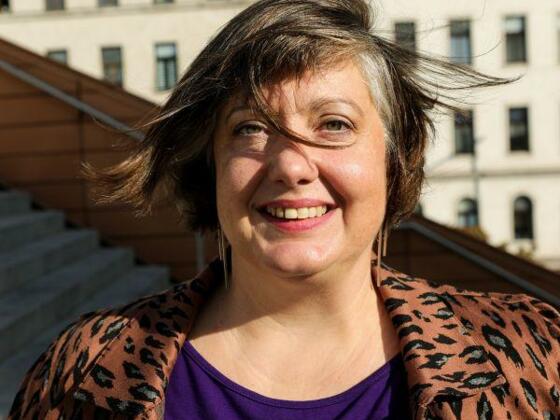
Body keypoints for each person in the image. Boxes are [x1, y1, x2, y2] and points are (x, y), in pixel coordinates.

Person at [8, 0, 560, 419]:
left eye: (334, 124)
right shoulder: (86, 371)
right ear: (210, 164)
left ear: (394, 161)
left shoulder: (529, 360)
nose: (291, 166)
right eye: (250, 129)